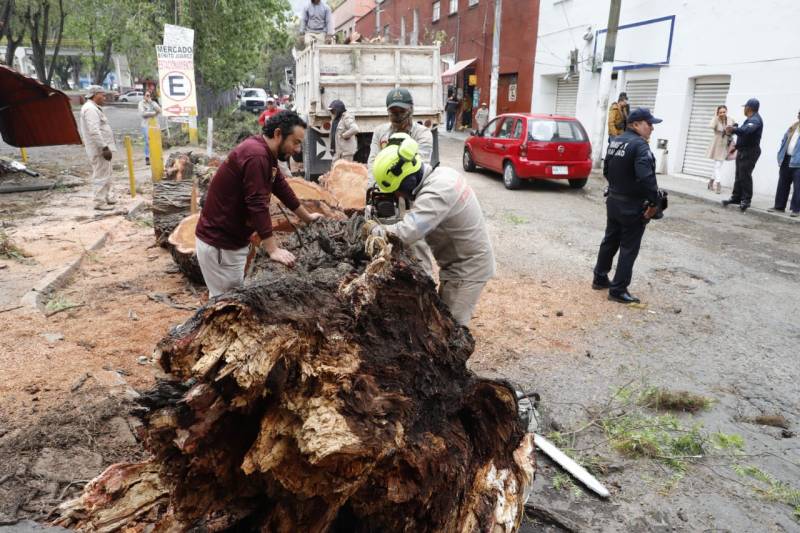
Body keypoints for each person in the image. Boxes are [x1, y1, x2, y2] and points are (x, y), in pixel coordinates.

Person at [366, 133, 495, 326]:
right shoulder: (441, 175)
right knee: (441, 320)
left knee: (452, 330)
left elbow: (406, 233)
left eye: (396, 190)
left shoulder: (438, 192)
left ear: (408, 180)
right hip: (456, 265)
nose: (397, 195)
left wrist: (375, 230)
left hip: (467, 269)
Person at [195, 111, 324, 297]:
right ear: (278, 134)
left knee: (232, 303)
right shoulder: (257, 156)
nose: (297, 149)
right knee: (226, 309)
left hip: (230, 243)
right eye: (295, 142)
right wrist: (273, 249)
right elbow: (257, 204)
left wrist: (307, 217)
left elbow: (281, 187)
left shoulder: (264, 153)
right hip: (221, 245)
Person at [593, 108, 662, 304]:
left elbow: (606, 170)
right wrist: (655, 201)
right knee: (628, 247)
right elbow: (646, 177)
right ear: (635, 124)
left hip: (614, 200)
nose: (652, 129)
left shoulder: (616, 141)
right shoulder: (640, 146)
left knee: (610, 240)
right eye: (649, 124)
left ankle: (599, 277)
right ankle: (618, 289)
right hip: (632, 205)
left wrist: (619, 186)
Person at [367, 88, 435, 273]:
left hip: (411, 192)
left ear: (411, 110)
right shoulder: (380, 132)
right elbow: (373, 161)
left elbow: (418, 165)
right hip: (385, 191)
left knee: (416, 239)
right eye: (393, 113)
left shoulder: (422, 134)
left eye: (401, 112)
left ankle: (425, 276)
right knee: (382, 237)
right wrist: (372, 189)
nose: (397, 117)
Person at [79, 85, 117, 211]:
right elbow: (94, 131)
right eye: (102, 94)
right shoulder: (90, 109)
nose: (104, 97)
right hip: (99, 149)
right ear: (95, 95)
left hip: (102, 148)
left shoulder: (94, 108)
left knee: (107, 173)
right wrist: (104, 147)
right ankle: (99, 202)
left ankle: (106, 197)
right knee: (101, 174)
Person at [722, 98, 763, 212]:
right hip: (742, 150)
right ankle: (736, 197)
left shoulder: (755, 120)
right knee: (739, 175)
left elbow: (746, 131)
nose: (744, 109)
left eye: (745, 107)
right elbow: (745, 135)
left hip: (750, 152)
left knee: (745, 175)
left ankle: (746, 200)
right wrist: (736, 147)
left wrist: (733, 129)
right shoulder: (750, 119)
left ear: (749, 108)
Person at [769, 109, 800, 217]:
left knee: (798, 186)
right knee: (783, 182)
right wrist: (780, 154)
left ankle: (796, 209)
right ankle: (779, 206)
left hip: (798, 162)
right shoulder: (794, 126)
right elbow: (784, 140)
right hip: (786, 158)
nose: (798, 115)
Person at [706, 105, 735, 193]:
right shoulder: (716, 119)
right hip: (717, 144)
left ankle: (711, 182)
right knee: (718, 165)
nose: (722, 113)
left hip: (725, 144)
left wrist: (730, 132)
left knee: (717, 165)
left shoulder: (730, 119)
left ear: (726, 111)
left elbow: (734, 129)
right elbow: (711, 126)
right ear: (718, 113)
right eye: (720, 112)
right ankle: (718, 183)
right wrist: (716, 117)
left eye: (724, 112)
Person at [138, 91, 161, 166]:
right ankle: (147, 157)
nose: (148, 97)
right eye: (146, 95)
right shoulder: (141, 103)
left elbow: (159, 110)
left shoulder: (153, 103)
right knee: (148, 141)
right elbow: (143, 114)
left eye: (149, 95)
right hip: (145, 125)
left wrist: (151, 102)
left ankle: (155, 156)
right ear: (144, 96)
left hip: (154, 124)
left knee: (156, 141)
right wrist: (154, 113)